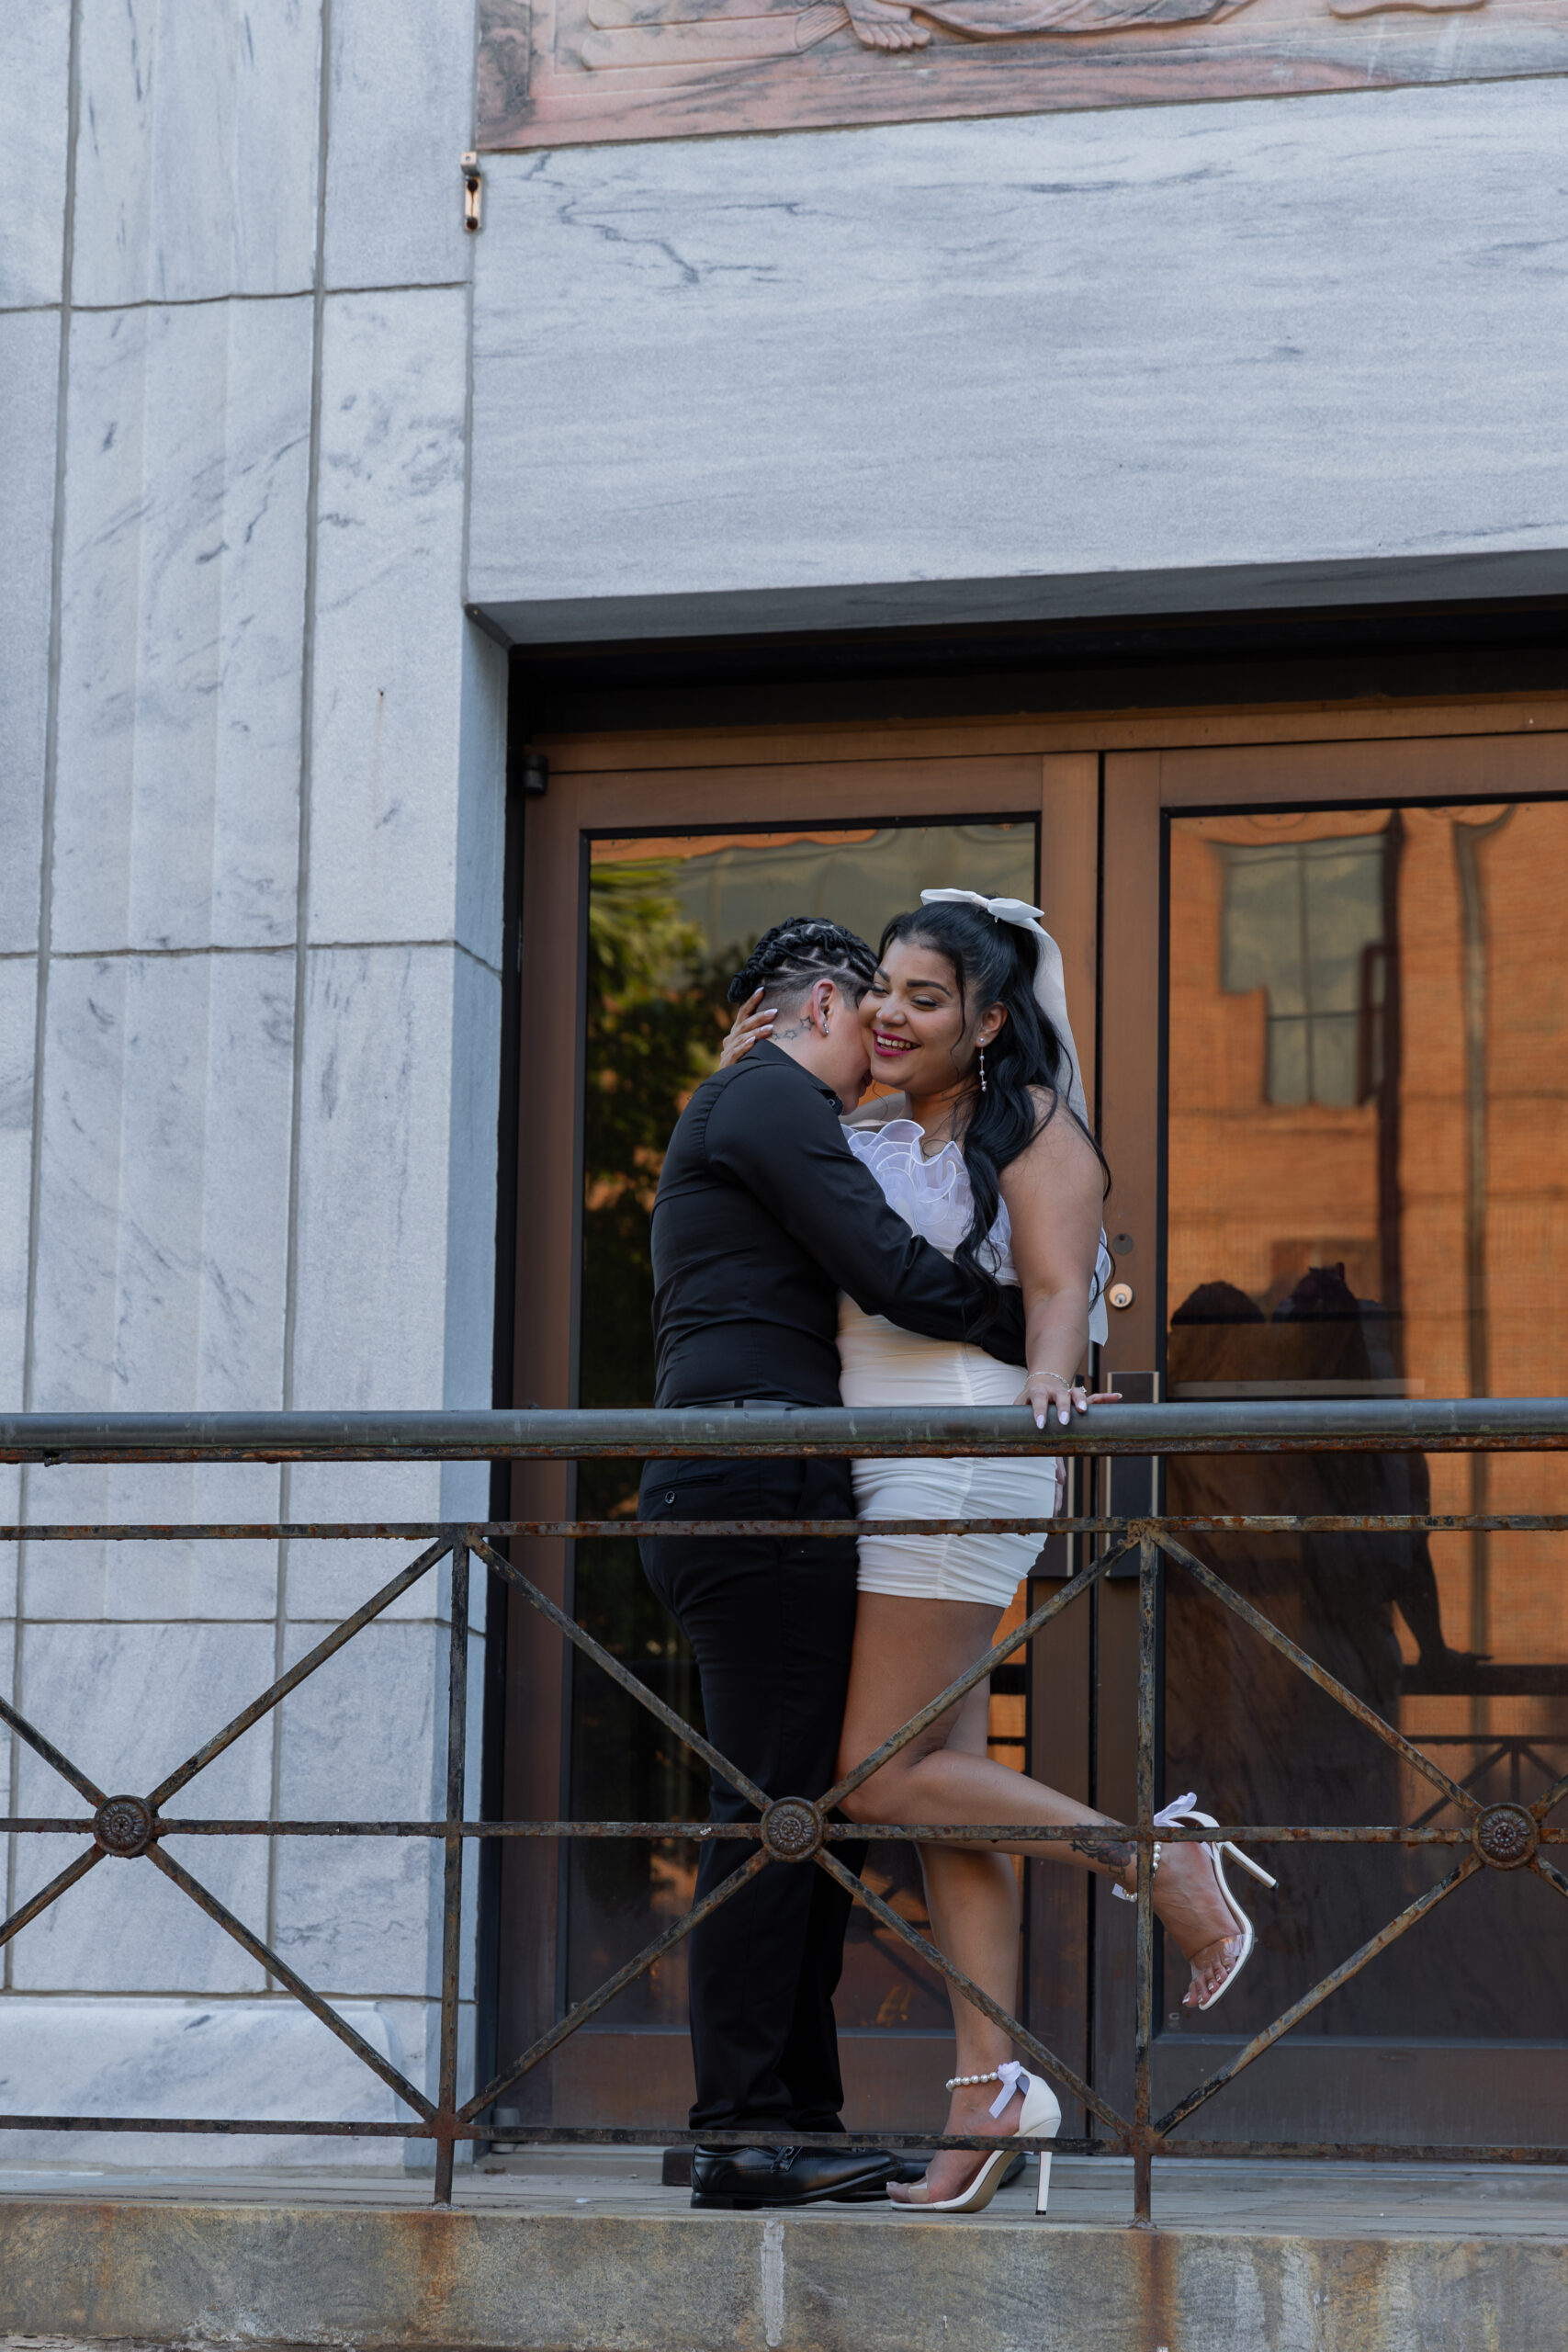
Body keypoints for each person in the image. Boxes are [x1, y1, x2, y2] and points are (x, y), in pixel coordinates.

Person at [721, 889, 1274, 2216]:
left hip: (958, 1451)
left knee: (870, 1776)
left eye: (924, 997)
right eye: (882, 993)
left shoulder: (1032, 1123)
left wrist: (1050, 1382)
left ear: (986, 1021)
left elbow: (1053, 1289)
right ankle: (990, 2095)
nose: (893, 1016)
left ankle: (1152, 1853)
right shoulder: (866, 1125)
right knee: (943, 1779)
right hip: (893, 1452)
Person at [637, 914, 1037, 2211]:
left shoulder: (747, 1101)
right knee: (776, 1812)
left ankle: (780, 2121)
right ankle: (756, 2128)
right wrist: (1038, 1325)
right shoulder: (765, 1100)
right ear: (809, 1007)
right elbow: (893, 1270)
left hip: (759, 1477)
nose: (880, 1038)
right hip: (756, 1483)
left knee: (795, 1805)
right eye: (868, 1010)